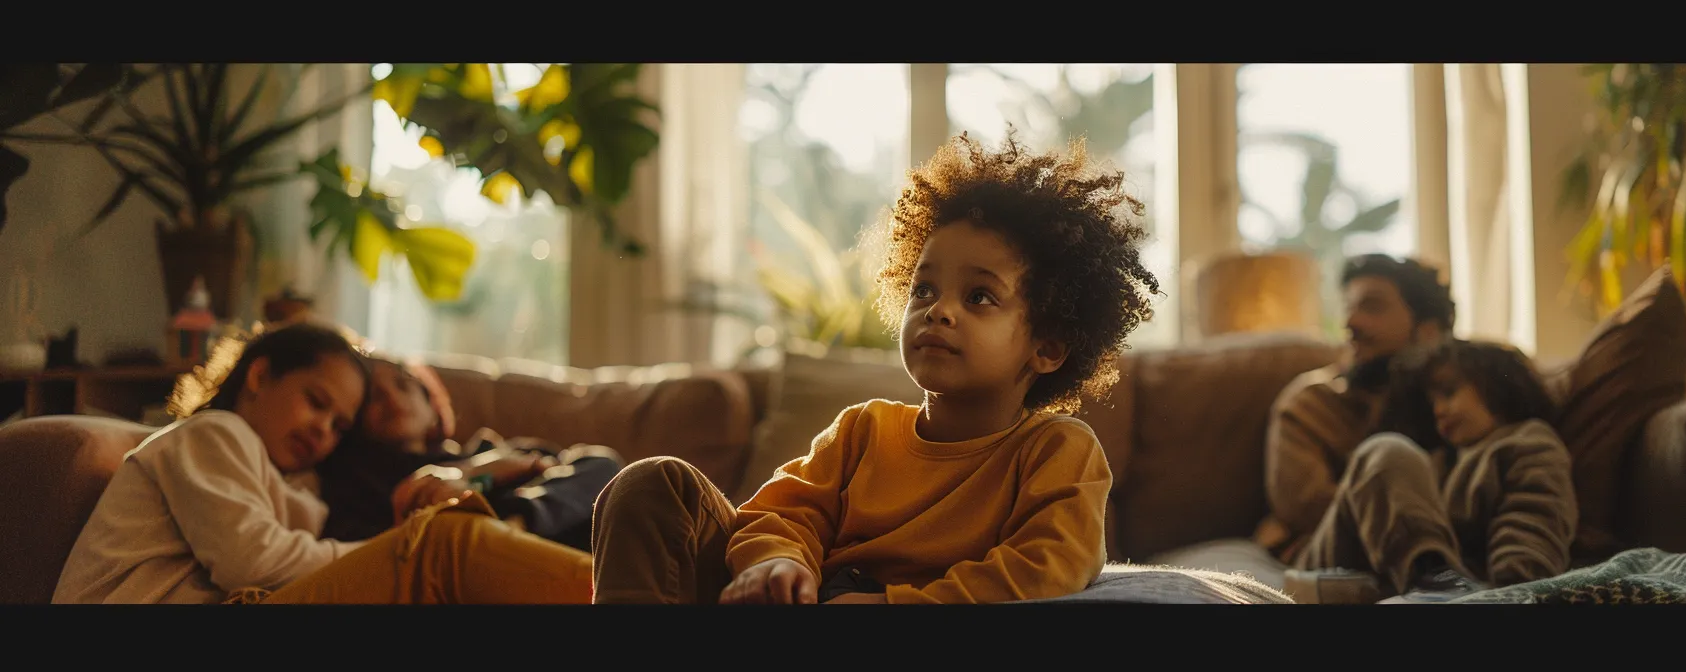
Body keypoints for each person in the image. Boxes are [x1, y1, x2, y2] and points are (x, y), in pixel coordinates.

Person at [588, 130, 1162, 605]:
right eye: (925, 289)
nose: (939, 310)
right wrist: (779, 562)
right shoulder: (862, 431)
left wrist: (887, 607)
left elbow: (1048, 566)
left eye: (980, 297)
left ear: (1049, 346)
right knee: (653, 479)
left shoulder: (1057, 449)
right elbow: (775, 514)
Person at [51, 322, 593, 604]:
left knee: (443, 547)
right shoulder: (212, 434)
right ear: (260, 377)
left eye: (339, 424)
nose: (323, 430)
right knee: (443, 546)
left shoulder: (298, 481)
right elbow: (255, 564)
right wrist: (403, 549)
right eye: (316, 402)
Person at [1285, 339, 1577, 603]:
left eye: (1449, 393)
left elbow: (1531, 535)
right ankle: (1433, 578)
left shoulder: (1528, 442)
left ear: (1498, 388)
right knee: (1388, 451)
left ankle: (1429, 584)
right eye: (1432, 402)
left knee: (1391, 452)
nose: (1438, 410)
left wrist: (1514, 588)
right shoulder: (1433, 460)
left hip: (1445, 589)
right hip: (1335, 560)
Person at [1251, 255, 1459, 584]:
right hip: (1332, 552)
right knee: (1389, 454)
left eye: (1372, 307)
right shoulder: (1309, 402)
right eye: (1349, 307)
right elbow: (1303, 507)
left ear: (1428, 331)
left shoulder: (1457, 398)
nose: (1351, 322)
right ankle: (1436, 584)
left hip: (1455, 548)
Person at [315, 357, 625, 550]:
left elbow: (564, 471)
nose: (393, 398)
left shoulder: (492, 448)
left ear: (433, 410)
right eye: (373, 396)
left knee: (601, 461)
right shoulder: (365, 480)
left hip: (550, 536)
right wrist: (477, 477)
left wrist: (478, 472)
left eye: (403, 384)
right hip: (470, 552)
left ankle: (513, 530)